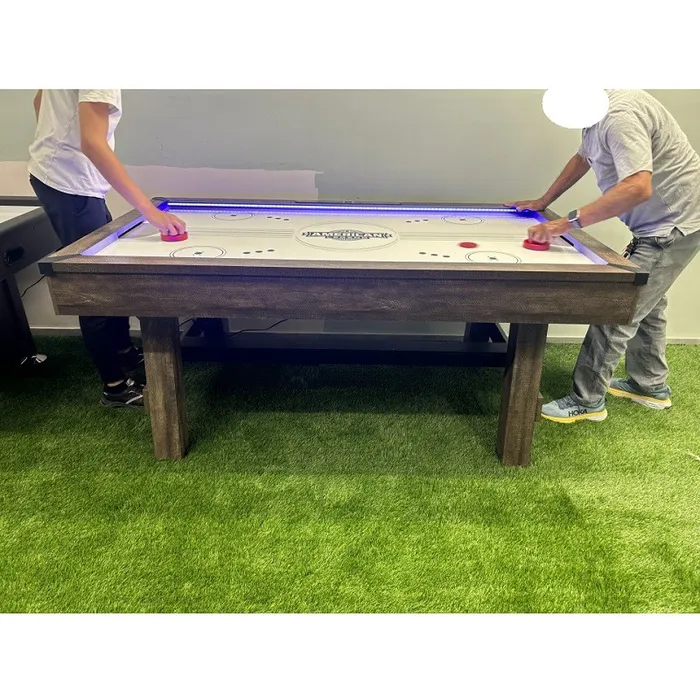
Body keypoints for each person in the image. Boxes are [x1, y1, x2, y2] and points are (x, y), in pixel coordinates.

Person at [508, 89, 700, 423]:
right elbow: (583, 157)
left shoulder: (619, 117)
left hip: (672, 225)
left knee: (619, 305)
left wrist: (566, 223)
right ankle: (649, 385)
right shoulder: (597, 110)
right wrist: (543, 201)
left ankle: (587, 400)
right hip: (665, 222)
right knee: (648, 304)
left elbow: (637, 187)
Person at [28, 89, 187, 408]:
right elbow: (92, 143)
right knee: (94, 284)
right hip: (71, 185)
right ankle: (114, 386)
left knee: (108, 268)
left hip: (59, 176)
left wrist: (56, 143)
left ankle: (123, 352)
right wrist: (150, 211)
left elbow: (40, 100)